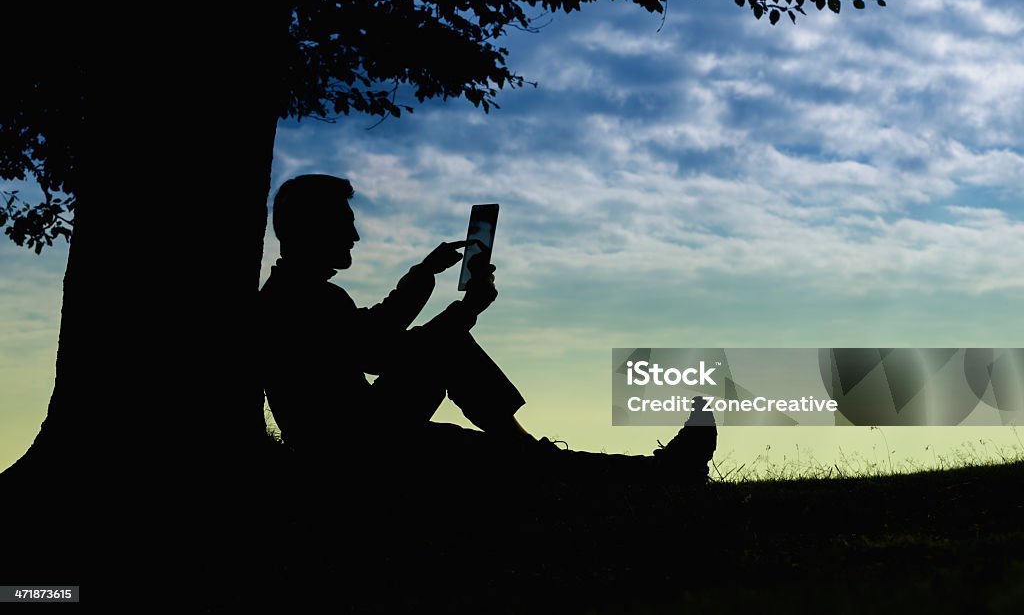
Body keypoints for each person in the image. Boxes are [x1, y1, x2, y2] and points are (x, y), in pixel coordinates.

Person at [259, 174, 716, 490]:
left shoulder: (299, 294)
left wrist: (426, 277)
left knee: (497, 447)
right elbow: (384, 348)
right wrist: (466, 306)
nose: (354, 235)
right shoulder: (298, 299)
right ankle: (663, 473)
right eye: (344, 223)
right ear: (312, 228)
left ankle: (657, 470)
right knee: (503, 453)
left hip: (356, 437)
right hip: (353, 448)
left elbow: (377, 341)